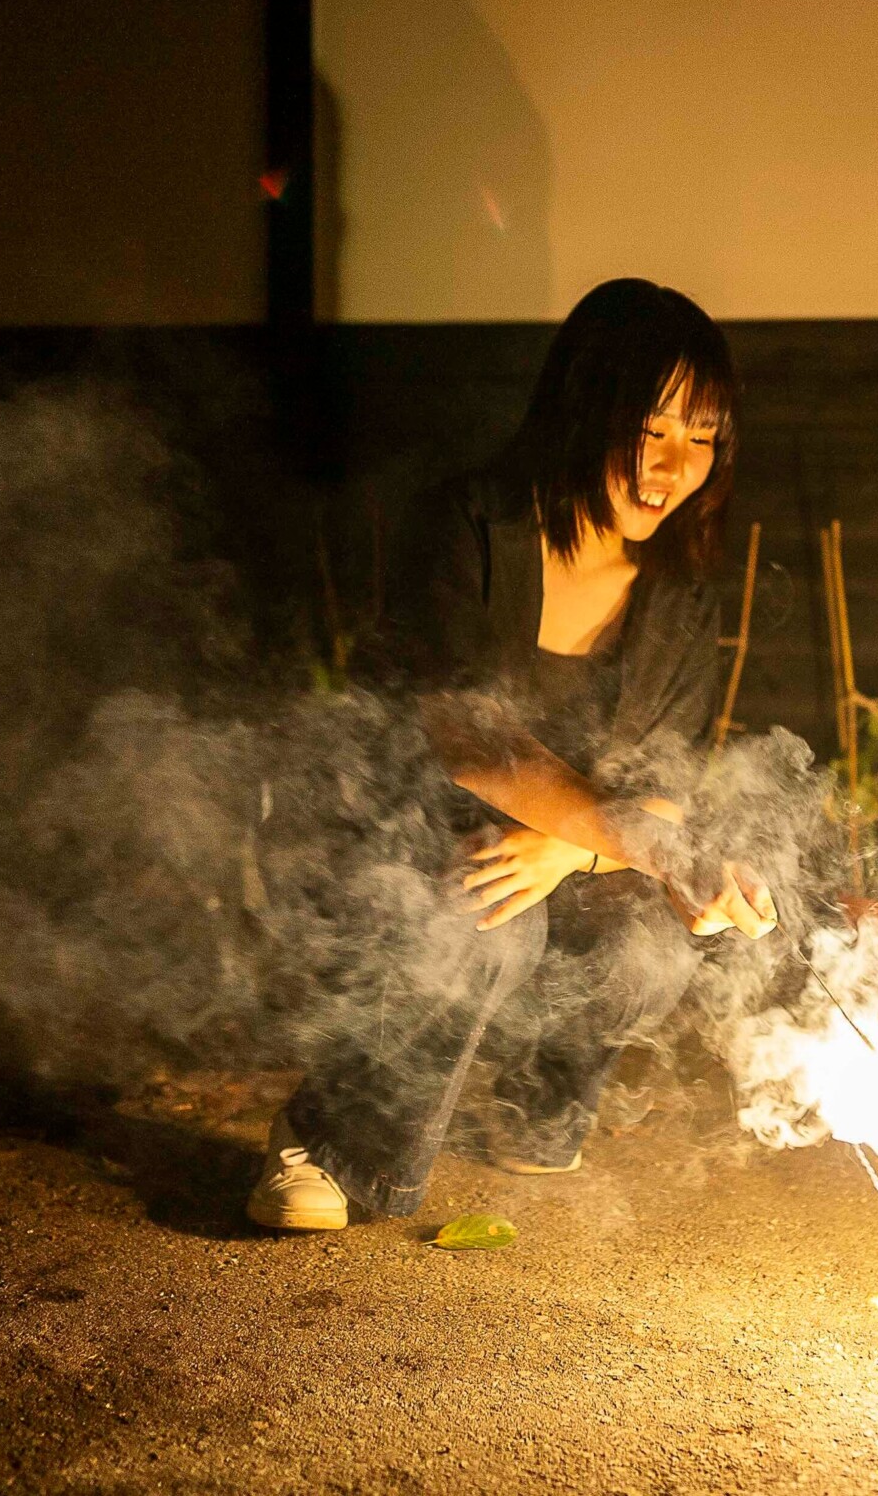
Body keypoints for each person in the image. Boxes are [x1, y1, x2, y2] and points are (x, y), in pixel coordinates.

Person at [251, 278, 776, 1233]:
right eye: (651, 426)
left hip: (565, 857)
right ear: (584, 407)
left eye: (702, 437)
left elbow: (660, 789)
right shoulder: (470, 527)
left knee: (651, 945)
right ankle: (326, 1135)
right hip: (412, 842)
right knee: (491, 915)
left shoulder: (678, 593)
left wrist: (578, 849)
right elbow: (470, 738)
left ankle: (538, 1106)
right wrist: (632, 847)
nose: (673, 464)